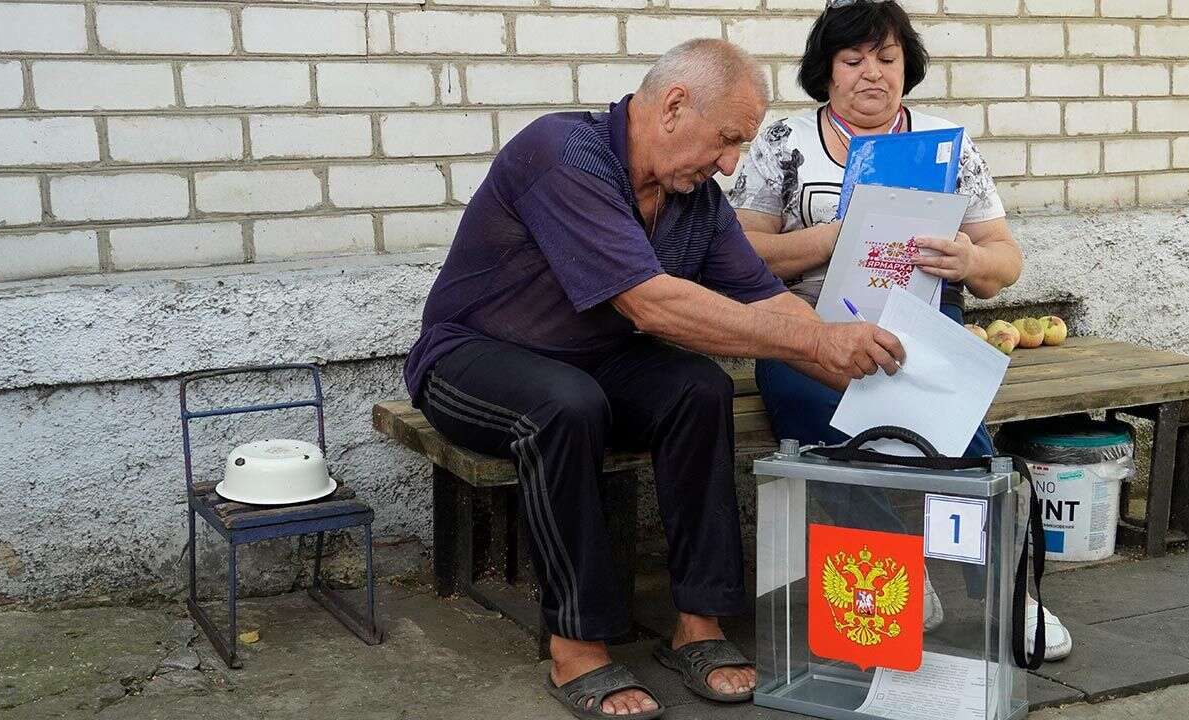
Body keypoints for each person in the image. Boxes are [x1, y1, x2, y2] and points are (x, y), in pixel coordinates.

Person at [403, 39, 908, 719]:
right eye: (728, 140)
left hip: (591, 361)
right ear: (673, 106)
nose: (731, 165)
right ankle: (577, 645)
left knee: (699, 388)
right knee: (566, 404)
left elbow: (767, 302)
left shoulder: (693, 199)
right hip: (470, 359)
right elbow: (651, 304)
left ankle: (699, 626)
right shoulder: (563, 154)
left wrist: (878, 374)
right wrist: (818, 337)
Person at [729, 0, 1072, 662]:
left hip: (921, 331)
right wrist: (835, 238)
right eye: (853, 59)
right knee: (818, 432)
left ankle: (1008, 591)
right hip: (805, 332)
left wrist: (970, 261)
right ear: (825, 72)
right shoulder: (783, 144)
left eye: (887, 59)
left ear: (906, 67)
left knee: (960, 439)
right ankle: (899, 575)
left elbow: (1004, 262)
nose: (872, 74)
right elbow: (740, 254)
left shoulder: (947, 144)